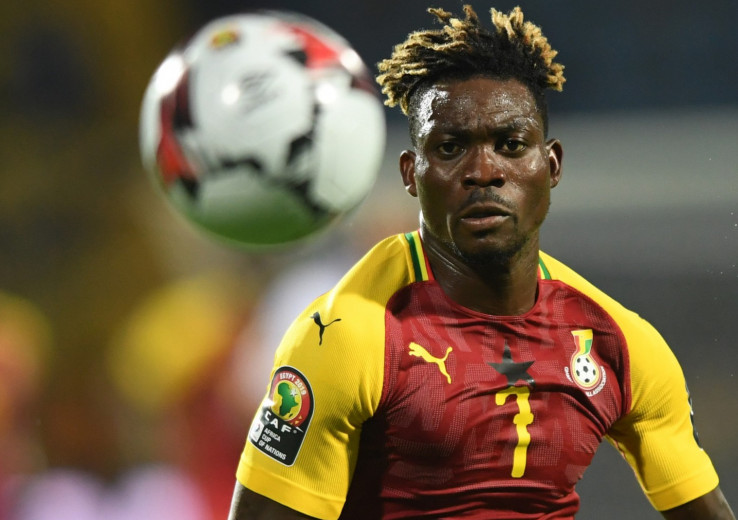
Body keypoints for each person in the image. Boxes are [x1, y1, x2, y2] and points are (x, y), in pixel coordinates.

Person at [227, 5, 735, 519]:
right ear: (411, 174)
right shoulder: (348, 336)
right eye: (450, 148)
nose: (483, 171)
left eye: (510, 145)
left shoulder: (618, 343)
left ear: (552, 165)